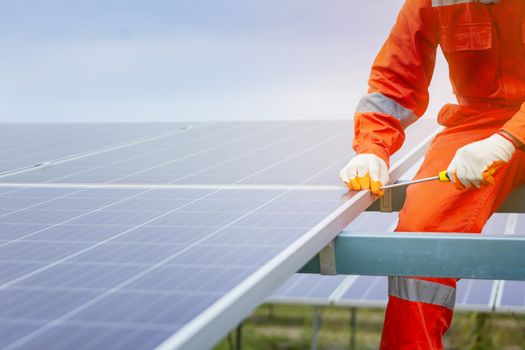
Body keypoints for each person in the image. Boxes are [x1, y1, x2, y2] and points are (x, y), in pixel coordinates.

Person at [338, 0, 525, 348]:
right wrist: (372, 148)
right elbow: (394, 81)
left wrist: (509, 139)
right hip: (475, 125)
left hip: (507, 130)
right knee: (418, 240)